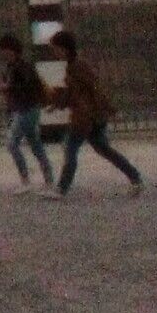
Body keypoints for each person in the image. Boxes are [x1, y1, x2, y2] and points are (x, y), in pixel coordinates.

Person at [49, 29, 142, 196]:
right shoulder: (74, 66)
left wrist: (108, 108)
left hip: (85, 117)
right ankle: (135, 177)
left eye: (56, 49)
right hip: (92, 116)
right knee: (104, 149)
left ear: (65, 49)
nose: (55, 52)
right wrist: (59, 103)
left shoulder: (77, 67)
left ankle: (62, 188)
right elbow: (77, 91)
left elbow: (93, 89)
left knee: (70, 149)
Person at [0, 32, 50, 189]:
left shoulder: (22, 67)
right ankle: (48, 178)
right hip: (25, 108)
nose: (1, 53)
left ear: (11, 50)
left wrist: (6, 87)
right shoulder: (12, 67)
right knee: (35, 144)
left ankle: (26, 179)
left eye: (3, 49)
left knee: (12, 144)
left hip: (26, 109)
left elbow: (26, 87)